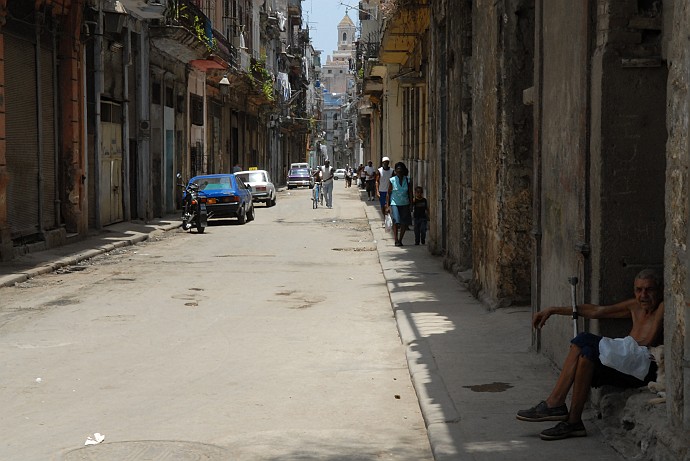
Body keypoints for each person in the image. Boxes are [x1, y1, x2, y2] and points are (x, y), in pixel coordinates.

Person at [516, 269, 664, 441]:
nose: (643, 295)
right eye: (639, 290)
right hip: (625, 365)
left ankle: (554, 403)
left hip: (644, 369)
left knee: (583, 338)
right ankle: (574, 423)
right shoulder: (635, 306)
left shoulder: (662, 307)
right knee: (586, 354)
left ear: (660, 291)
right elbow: (596, 311)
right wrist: (553, 310)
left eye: (649, 289)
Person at [386, 162, 413, 246]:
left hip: (405, 203)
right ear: (395, 171)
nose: (399, 171)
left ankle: (400, 239)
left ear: (403, 171)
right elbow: (389, 193)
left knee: (404, 222)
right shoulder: (392, 180)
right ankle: (396, 239)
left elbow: (410, 192)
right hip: (395, 203)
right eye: (397, 170)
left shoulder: (407, 179)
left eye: (400, 170)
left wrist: (411, 203)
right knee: (396, 220)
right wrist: (387, 205)